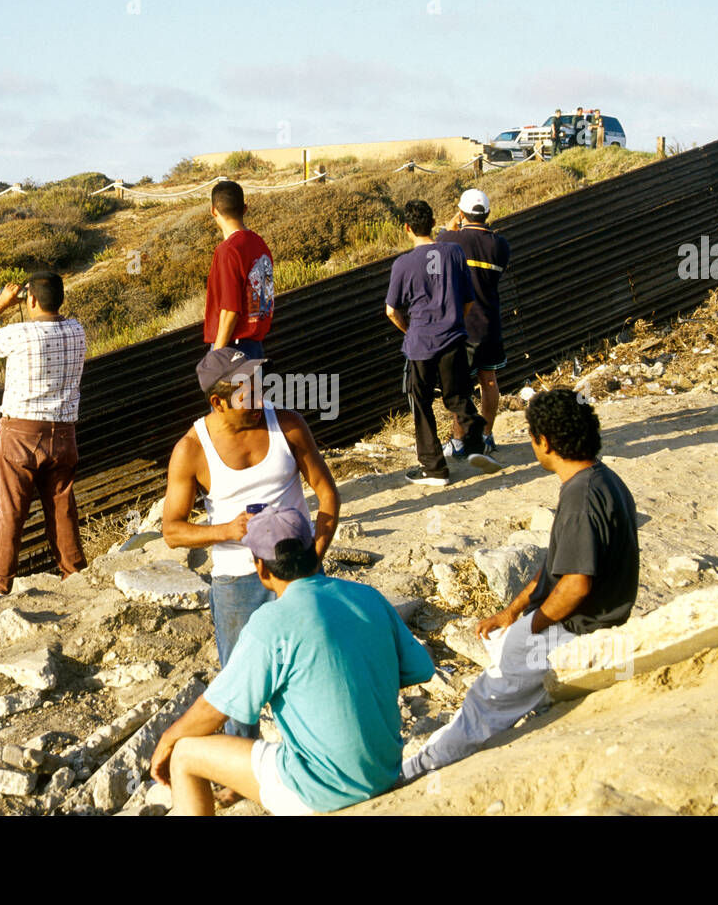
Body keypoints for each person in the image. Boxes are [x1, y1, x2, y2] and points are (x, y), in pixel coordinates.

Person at [401, 389, 640, 780]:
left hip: (577, 630)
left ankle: (417, 771)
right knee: (499, 644)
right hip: (590, 623)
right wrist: (511, 612)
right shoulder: (602, 479)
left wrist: (533, 625)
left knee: (482, 705)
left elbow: (576, 586)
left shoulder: (580, 497)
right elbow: (557, 567)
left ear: (544, 441)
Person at [150, 505, 435, 815]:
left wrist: (168, 738)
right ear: (313, 550)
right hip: (383, 772)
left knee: (185, 753)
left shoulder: (270, 622)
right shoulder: (368, 595)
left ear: (261, 569)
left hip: (319, 791)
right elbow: (420, 668)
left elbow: (215, 710)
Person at [162, 347, 339, 742]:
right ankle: (240, 767)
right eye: (247, 392)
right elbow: (172, 531)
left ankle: (320, 746)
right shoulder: (191, 450)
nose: (259, 399)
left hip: (300, 573)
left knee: (316, 663)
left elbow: (327, 494)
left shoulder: (288, 425)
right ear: (217, 402)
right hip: (237, 582)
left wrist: (315, 555)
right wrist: (225, 530)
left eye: (261, 386)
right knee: (240, 683)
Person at [0, 271, 87, 595]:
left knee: (12, 510)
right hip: (63, 434)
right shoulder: (77, 331)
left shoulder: (20, 334)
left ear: (30, 300)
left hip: (19, 433)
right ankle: (74, 574)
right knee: (62, 506)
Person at [385, 199, 499, 486]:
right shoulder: (454, 252)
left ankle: (434, 468)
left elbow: (391, 310)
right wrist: (454, 322)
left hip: (421, 342)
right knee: (458, 397)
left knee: (421, 402)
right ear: (433, 222)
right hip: (454, 339)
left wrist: (410, 330)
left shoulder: (403, 263)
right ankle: (475, 443)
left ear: (407, 228)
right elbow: (469, 300)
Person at [438, 189, 511, 459]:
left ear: (461, 213)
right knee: (489, 380)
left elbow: (442, 238)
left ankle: (458, 440)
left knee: (460, 386)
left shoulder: (449, 239)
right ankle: (486, 435)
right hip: (490, 321)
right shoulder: (500, 245)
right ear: (488, 214)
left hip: (462, 325)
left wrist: (452, 225)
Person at [204, 180, 274, 358]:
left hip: (232, 347)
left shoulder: (228, 251)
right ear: (245, 208)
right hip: (255, 345)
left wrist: (216, 356)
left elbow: (230, 310)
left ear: (213, 211)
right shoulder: (259, 244)